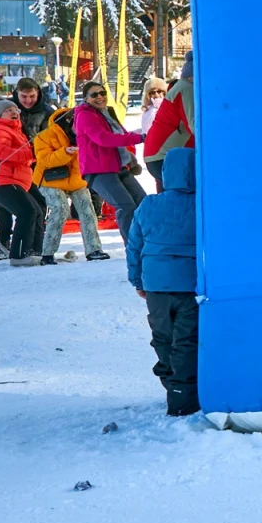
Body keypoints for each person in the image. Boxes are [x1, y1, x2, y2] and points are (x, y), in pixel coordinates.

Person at [125, 146, 201, 415]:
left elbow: (134, 246)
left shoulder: (149, 204)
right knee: (187, 340)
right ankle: (183, 396)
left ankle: (171, 385)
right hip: (191, 284)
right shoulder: (205, 205)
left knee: (162, 338)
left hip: (156, 285)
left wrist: (137, 280)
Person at [75, 80, 149, 246]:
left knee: (143, 201)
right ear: (86, 98)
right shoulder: (85, 115)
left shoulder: (107, 113)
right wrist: (138, 138)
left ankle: (146, 241)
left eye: (102, 93)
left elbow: (120, 135)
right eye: (94, 95)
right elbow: (103, 139)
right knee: (125, 205)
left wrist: (133, 146)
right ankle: (133, 247)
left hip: (119, 167)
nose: (100, 97)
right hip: (99, 171)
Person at [32, 100, 106, 263]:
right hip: (49, 180)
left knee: (87, 210)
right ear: (70, 122)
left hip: (76, 180)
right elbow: (44, 160)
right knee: (60, 209)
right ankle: (47, 253)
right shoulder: (45, 136)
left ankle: (94, 250)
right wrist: (65, 152)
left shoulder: (89, 135)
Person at [0, 96, 44, 267]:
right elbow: (2, 152)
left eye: (15, 109)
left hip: (17, 180)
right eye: (8, 110)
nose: (14, 112)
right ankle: (19, 254)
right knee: (27, 212)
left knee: (38, 210)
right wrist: (31, 154)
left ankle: (35, 250)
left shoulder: (17, 129)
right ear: (0, 114)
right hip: (1, 182)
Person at [144, 50, 196, 173]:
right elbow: (195, 126)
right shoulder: (187, 88)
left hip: (159, 155)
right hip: (166, 156)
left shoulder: (180, 87)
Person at [138, 78, 169, 190]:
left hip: (164, 149)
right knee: (160, 185)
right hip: (152, 151)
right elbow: (146, 128)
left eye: (159, 91)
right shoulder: (148, 110)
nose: (156, 95)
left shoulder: (167, 107)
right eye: (152, 92)